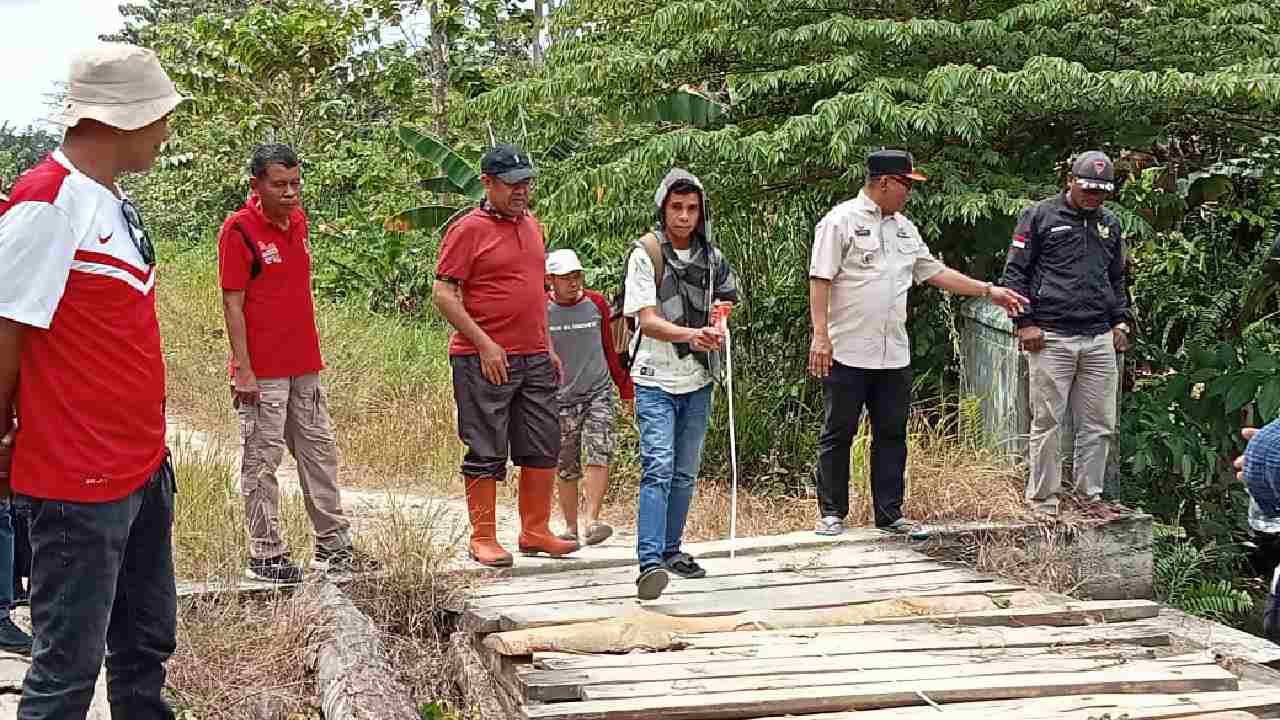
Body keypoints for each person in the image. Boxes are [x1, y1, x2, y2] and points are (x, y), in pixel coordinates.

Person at [0, 42, 184, 719]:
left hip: (137, 470)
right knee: (66, 673)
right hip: (77, 484)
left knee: (143, 648)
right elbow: (5, 331)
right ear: (120, 120)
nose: (165, 131)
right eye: (159, 117)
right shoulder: (46, 203)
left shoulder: (110, 201)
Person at [809, 149, 1028, 539]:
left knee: (891, 433)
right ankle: (832, 512)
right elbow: (820, 278)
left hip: (893, 351)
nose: (908, 192)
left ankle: (890, 514)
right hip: (847, 348)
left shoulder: (905, 229)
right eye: (905, 184)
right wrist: (820, 335)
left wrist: (988, 290)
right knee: (838, 430)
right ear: (884, 183)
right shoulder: (839, 221)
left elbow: (935, 272)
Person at [219, 144, 377, 583]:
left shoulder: (300, 222)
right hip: (263, 371)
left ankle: (334, 546)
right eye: (280, 184)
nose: (290, 192)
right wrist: (243, 368)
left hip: (304, 364)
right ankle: (265, 554)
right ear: (257, 185)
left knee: (319, 453)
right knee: (261, 460)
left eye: (295, 183)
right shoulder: (240, 230)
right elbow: (233, 303)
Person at [432, 143, 579, 568]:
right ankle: (483, 537)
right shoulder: (467, 230)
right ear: (488, 183)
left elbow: (536, 292)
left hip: (533, 355)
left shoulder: (533, 225)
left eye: (526, 183)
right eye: (513, 184)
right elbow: (443, 293)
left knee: (542, 443)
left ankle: (535, 530)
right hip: (483, 357)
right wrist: (483, 343)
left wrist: (547, 346)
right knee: (485, 446)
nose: (521, 191)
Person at [623, 168, 738, 600]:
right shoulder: (646, 254)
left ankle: (672, 550)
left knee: (686, 472)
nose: (685, 216)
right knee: (659, 467)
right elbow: (647, 321)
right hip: (654, 376)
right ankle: (649, 560)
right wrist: (692, 334)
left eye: (692, 208)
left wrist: (718, 321)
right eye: (677, 207)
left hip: (698, 376)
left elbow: (725, 300)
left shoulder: (713, 258)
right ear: (663, 208)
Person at [1001, 151, 1131, 519]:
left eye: (1102, 191)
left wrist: (1120, 321)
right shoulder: (1040, 216)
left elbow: (1117, 277)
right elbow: (1015, 273)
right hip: (1051, 335)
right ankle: (1044, 501)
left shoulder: (1110, 223)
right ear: (1070, 181)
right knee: (1047, 421)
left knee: (1100, 422)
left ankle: (1090, 497)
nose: (1094, 197)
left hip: (1097, 336)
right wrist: (1024, 323)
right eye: (1088, 188)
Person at [545, 249, 635, 545]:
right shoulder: (541, 310)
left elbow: (611, 350)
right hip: (560, 398)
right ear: (550, 281)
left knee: (600, 451)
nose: (573, 283)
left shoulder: (596, 304)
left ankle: (592, 520)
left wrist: (625, 389)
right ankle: (570, 527)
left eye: (577, 276)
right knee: (566, 463)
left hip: (597, 392)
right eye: (566, 278)